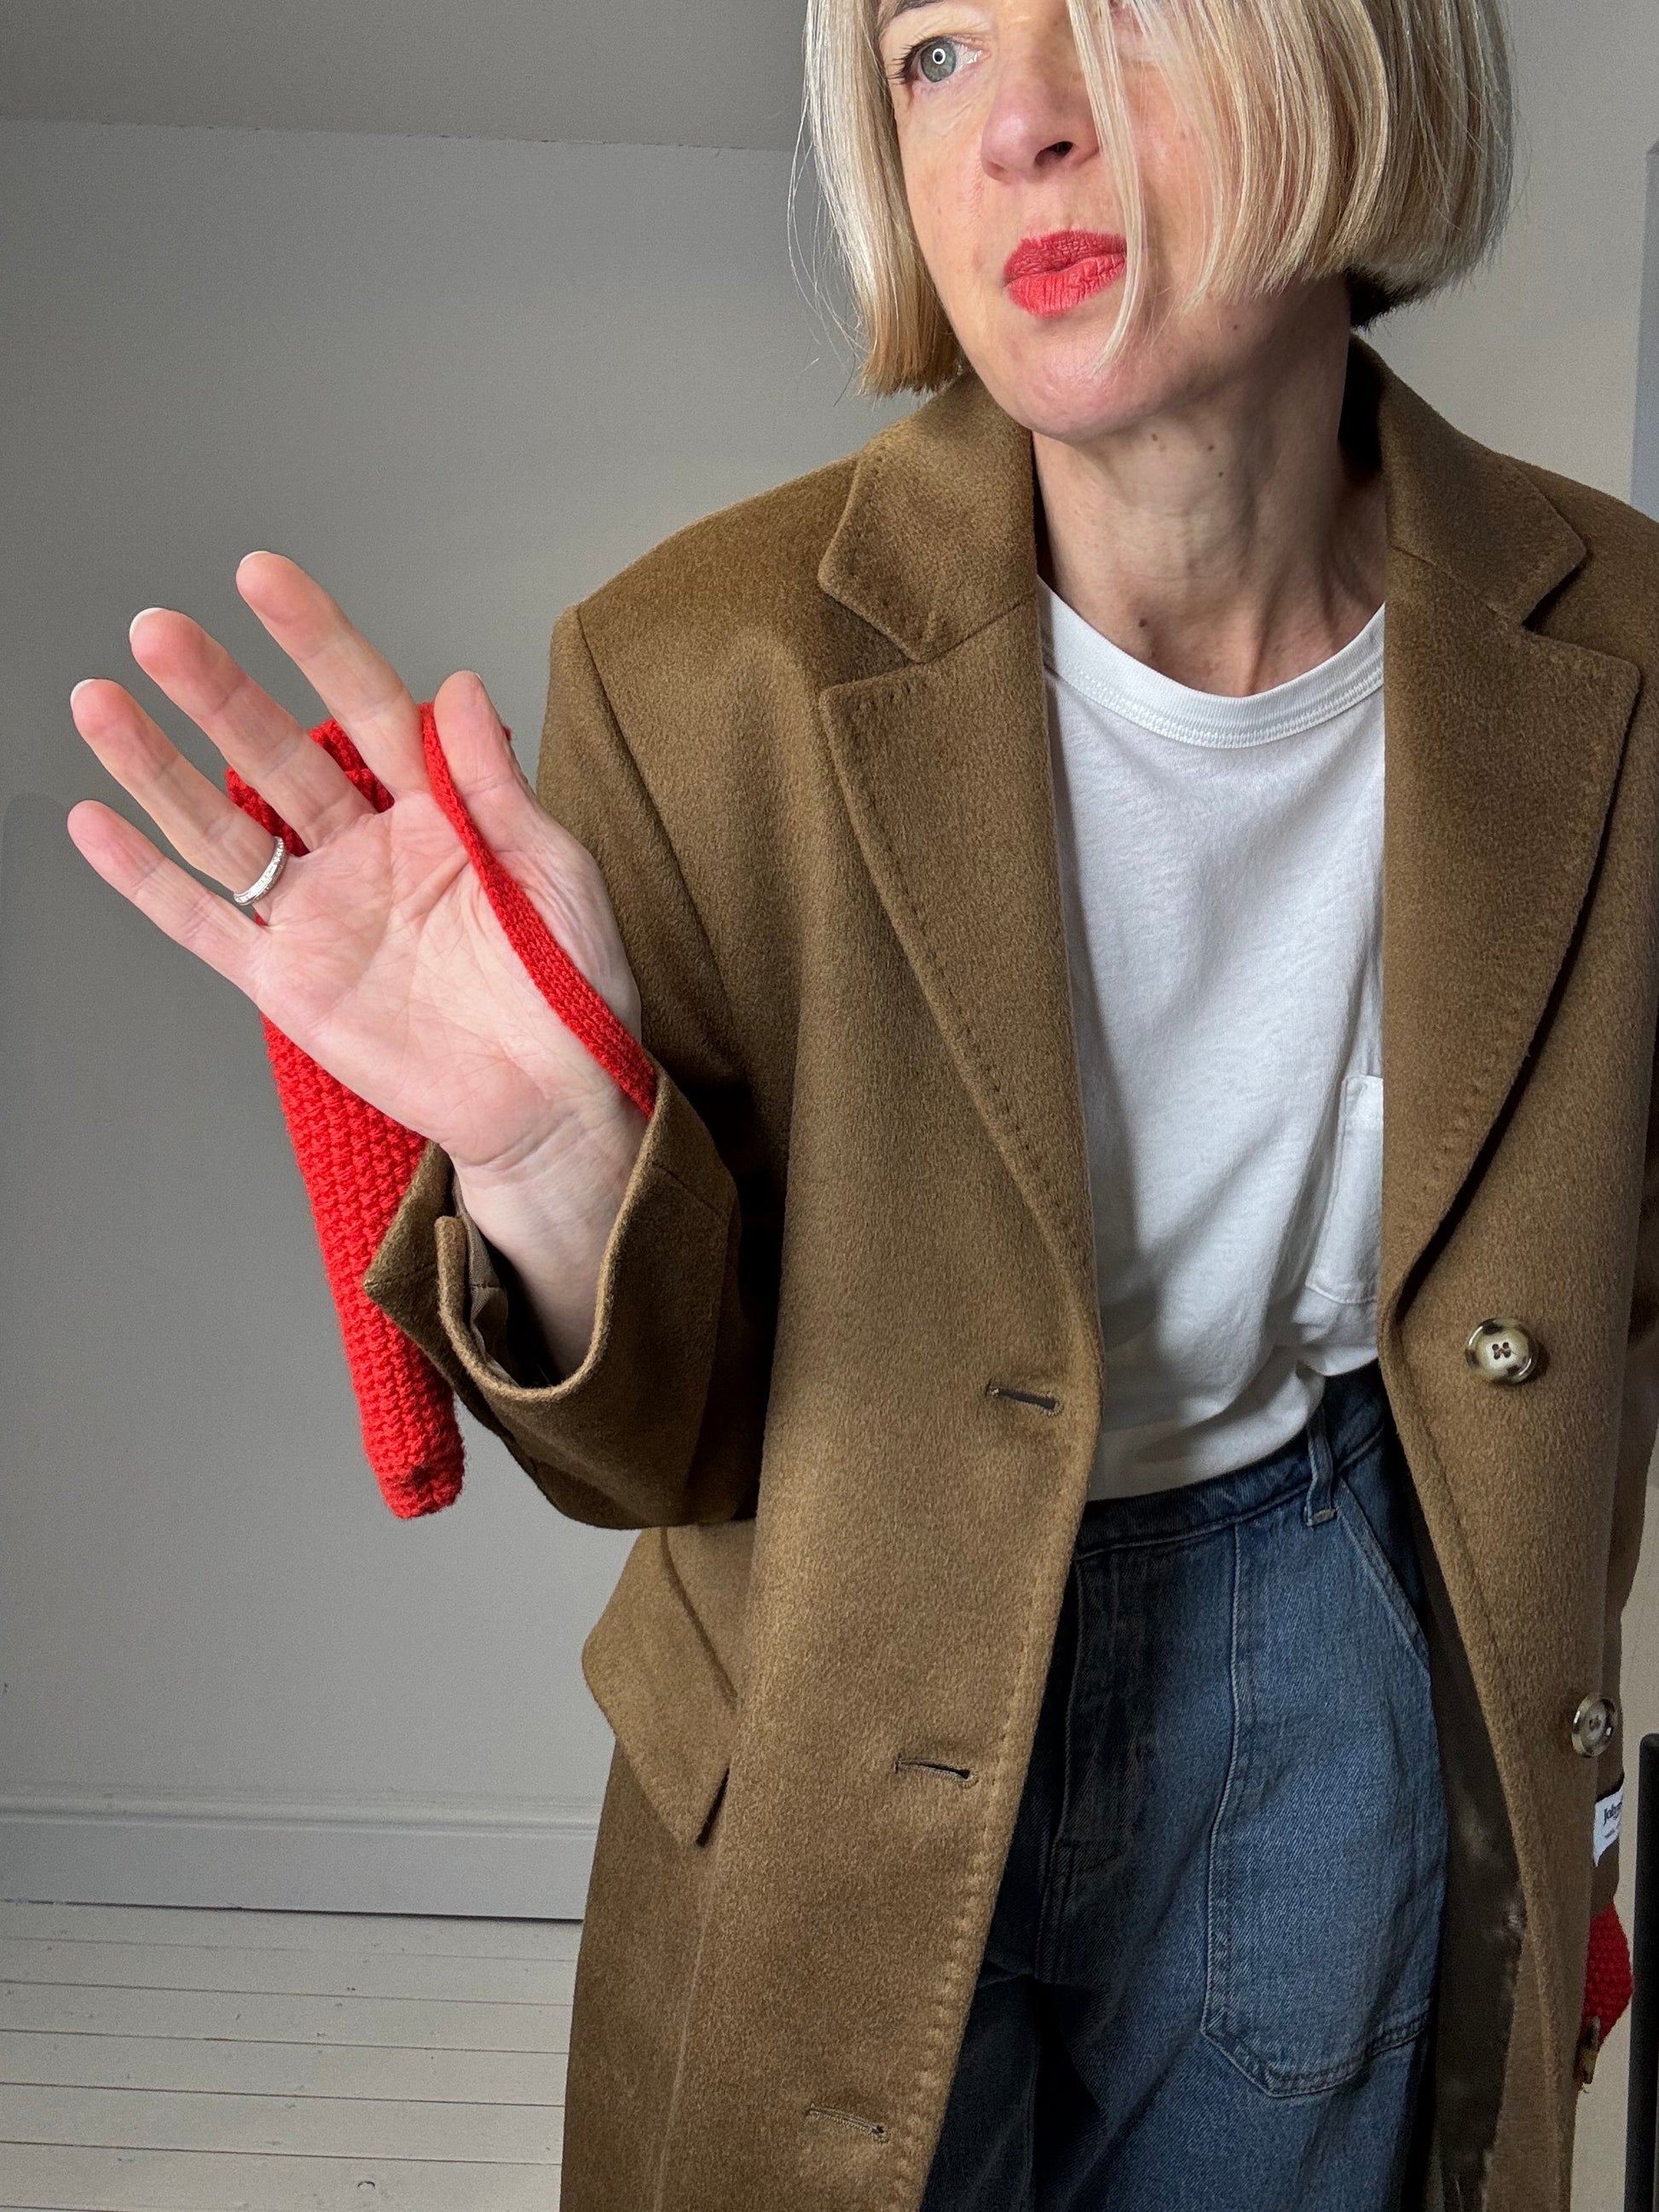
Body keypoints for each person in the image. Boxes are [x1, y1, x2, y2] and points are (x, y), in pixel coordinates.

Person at [64, 0, 1659, 2203]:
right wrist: (554, 1161)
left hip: (1334, 1654)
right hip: (831, 1665)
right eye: (932, 52)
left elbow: (1603, 1305)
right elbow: (658, 1449)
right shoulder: (691, 669)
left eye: (1121, 14)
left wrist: (1553, 1818)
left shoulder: (1625, 644)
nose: (1017, 126)